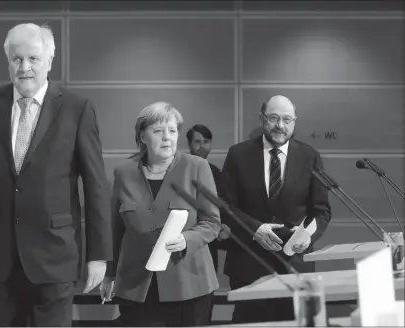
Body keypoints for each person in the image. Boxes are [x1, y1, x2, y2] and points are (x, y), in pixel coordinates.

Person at [0, 23, 112, 327]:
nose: (24, 68)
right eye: (17, 59)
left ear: (49, 61)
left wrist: (98, 255)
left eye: (33, 59)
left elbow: (97, 186)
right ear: (8, 62)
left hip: (56, 257)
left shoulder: (77, 108)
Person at [100, 102, 220, 327]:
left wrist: (187, 239)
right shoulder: (123, 172)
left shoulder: (197, 167)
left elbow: (212, 222)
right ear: (142, 136)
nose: (167, 137)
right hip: (137, 285)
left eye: (172, 131)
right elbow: (114, 229)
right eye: (158, 131)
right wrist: (109, 274)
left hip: (189, 285)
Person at [219, 95, 332, 323]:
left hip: (295, 266)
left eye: (287, 119)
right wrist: (255, 229)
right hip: (247, 265)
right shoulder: (238, 155)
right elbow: (224, 205)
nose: (280, 125)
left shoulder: (310, 157)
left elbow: (321, 211)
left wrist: (308, 236)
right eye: (274, 118)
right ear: (262, 119)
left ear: (294, 122)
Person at [186, 125, 231, 269]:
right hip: (185, 233)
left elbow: (222, 202)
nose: (202, 146)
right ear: (189, 144)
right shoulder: (181, 169)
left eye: (206, 142)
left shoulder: (216, 172)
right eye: (197, 142)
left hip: (209, 236)